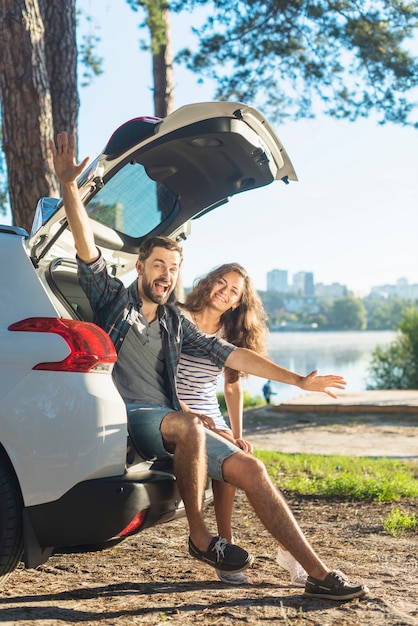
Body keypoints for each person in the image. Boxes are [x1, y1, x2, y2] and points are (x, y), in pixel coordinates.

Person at [49, 132, 368, 602]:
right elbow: (85, 249)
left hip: (173, 423)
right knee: (193, 426)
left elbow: (232, 356)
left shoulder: (177, 321)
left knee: (252, 469)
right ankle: (202, 538)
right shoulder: (114, 301)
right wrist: (69, 188)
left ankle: (317, 572)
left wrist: (299, 379)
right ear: (140, 267)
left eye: (173, 268)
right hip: (129, 417)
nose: (166, 274)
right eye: (158, 265)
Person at [177, 263, 307, 587]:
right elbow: (160, 377)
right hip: (180, 412)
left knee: (237, 451)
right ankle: (237, 547)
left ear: (236, 302)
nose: (225, 291)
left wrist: (237, 433)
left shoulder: (228, 334)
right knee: (237, 460)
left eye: (233, 290)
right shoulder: (178, 318)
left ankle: (239, 548)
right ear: (209, 284)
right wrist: (193, 415)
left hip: (212, 415)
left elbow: (232, 387)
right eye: (221, 282)